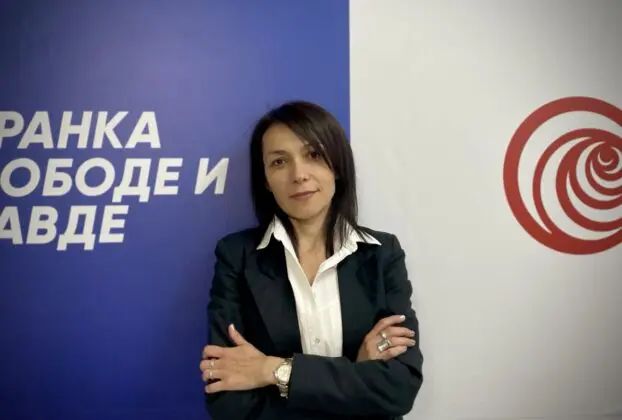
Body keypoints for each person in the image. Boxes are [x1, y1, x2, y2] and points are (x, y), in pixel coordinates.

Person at [199, 100, 423, 419]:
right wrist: (356, 374)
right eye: (279, 162)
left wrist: (272, 370)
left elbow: (399, 388)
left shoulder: (382, 253)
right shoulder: (237, 257)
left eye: (313, 155)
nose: (299, 175)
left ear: (337, 165)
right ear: (265, 180)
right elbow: (228, 402)